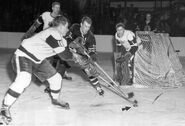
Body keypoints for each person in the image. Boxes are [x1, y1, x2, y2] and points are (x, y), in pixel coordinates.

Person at [0, 16, 70, 124]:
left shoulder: (61, 38)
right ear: (60, 27)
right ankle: (5, 108)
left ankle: (56, 99)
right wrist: (78, 56)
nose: (67, 29)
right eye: (66, 27)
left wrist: (74, 50)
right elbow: (65, 55)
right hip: (24, 55)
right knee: (24, 79)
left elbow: (66, 48)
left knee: (56, 78)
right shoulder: (52, 32)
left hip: (38, 59)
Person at [45, 16, 104, 96]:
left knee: (88, 69)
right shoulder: (74, 28)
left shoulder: (91, 37)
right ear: (81, 24)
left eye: (88, 27)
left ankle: (98, 87)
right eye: (85, 26)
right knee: (62, 65)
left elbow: (92, 51)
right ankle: (52, 86)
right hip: (71, 52)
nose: (87, 29)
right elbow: (66, 38)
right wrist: (72, 46)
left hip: (81, 56)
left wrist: (92, 57)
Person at [21, 1, 72, 80]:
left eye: (58, 7)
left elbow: (62, 31)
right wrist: (28, 33)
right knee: (47, 56)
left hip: (54, 40)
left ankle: (60, 72)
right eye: (55, 7)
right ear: (52, 8)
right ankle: (42, 73)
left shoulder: (60, 18)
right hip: (45, 40)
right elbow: (35, 25)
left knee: (59, 56)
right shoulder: (45, 15)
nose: (57, 9)